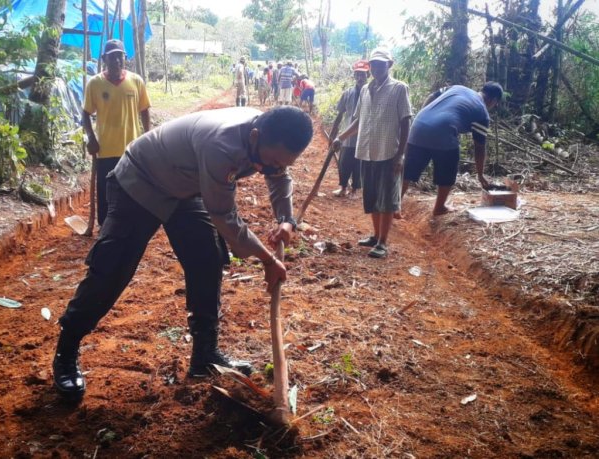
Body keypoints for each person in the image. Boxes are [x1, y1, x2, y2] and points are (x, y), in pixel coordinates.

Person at [52, 106, 314, 402]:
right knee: (112, 268)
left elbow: (279, 177)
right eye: (271, 162)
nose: (272, 169)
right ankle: (66, 349)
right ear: (255, 136)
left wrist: (287, 219)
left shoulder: (269, 136)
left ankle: (205, 355)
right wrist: (268, 259)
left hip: (184, 189)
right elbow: (225, 218)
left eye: (282, 164)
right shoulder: (222, 145)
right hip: (140, 181)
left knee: (207, 258)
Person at [332, 48, 412, 259]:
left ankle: (383, 243)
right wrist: (341, 137)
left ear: (390, 65)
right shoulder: (366, 90)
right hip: (366, 151)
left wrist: (401, 155)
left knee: (386, 199)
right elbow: (358, 120)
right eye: (373, 64)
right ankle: (376, 236)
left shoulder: (399, 89)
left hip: (389, 153)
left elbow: (406, 121)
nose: (376, 67)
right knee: (372, 197)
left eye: (381, 64)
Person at [402, 82, 503, 215]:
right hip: (443, 131)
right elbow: (479, 148)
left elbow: (432, 96)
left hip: (418, 125)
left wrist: (425, 116)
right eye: (495, 104)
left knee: (408, 170)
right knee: (449, 168)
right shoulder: (482, 113)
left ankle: (394, 203)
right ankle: (439, 207)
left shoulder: (457, 88)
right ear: (493, 100)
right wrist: (480, 175)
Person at [83, 39, 151, 226]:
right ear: (104, 59)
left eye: (119, 56)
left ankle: (131, 223)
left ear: (125, 58)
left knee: (132, 188)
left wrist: (148, 137)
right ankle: (105, 226)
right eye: (112, 57)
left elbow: (144, 110)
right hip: (105, 148)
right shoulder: (95, 84)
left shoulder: (136, 81)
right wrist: (91, 138)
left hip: (132, 148)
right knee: (106, 190)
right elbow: (85, 113)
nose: (116, 61)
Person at [329, 60, 370, 198]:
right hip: (347, 136)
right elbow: (340, 114)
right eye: (357, 74)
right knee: (344, 162)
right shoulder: (347, 93)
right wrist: (333, 134)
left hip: (364, 137)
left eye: (362, 75)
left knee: (359, 164)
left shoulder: (371, 93)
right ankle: (343, 187)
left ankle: (355, 190)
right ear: (354, 76)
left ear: (368, 75)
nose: (360, 78)